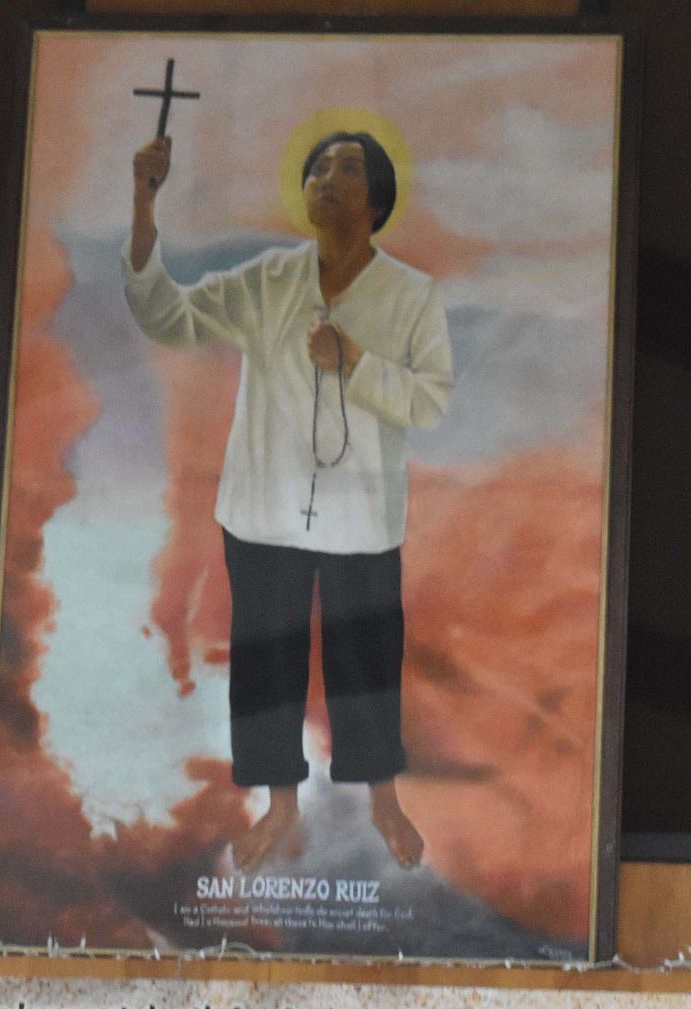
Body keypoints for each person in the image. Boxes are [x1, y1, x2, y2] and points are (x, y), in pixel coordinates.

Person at [124, 127, 453, 872]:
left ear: (376, 200)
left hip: (362, 519)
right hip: (264, 513)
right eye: (317, 168)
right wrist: (145, 206)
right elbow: (167, 316)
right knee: (265, 662)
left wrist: (353, 362)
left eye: (347, 168)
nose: (327, 177)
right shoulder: (267, 281)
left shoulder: (412, 296)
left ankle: (383, 799)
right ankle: (279, 805)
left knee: (367, 659)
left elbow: (431, 401)